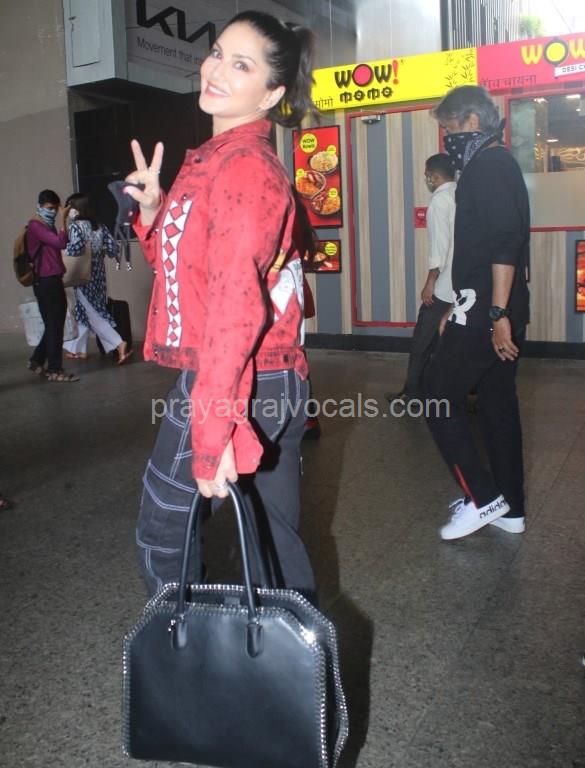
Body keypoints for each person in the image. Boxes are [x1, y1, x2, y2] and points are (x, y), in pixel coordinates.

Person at [125, 10, 317, 599]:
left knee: (163, 534)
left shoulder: (244, 168)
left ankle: (184, 652)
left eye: (241, 65)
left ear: (272, 93)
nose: (216, 70)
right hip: (262, 375)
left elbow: (236, 307)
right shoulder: (215, 160)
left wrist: (213, 431)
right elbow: (187, 275)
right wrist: (154, 212)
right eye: (217, 54)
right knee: (270, 542)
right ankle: (298, 655)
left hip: (235, 377)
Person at [424, 85, 530, 540]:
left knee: (435, 394)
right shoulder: (497, 164)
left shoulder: (488, 167)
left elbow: (505, 243)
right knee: (496, 405)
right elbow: (483, 247)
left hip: (488, 311)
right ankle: (510, 509)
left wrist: (496, 313)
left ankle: (484, 498)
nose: (447, 139)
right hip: (485, 305)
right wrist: (459, 303)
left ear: (471, 121)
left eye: (449, 129)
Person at [386, 153, 456, 402]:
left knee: (422, 342)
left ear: (433, 176)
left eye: (427, 175)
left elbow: (440, 247)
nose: (427, 180)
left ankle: (413, 393)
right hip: (463, 282)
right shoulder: (460, 194)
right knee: (452, 340)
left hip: (444, 284)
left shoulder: (438, 201)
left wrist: (430, 282)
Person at [62, 193, 133, 364]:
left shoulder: (75, 227)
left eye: (69, 207)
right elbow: (113, 249)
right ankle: (79, 349)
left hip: (82, 277)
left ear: (75, 209)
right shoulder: (100, 226)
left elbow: (76, 249)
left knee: (92, 313)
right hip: (99, 277)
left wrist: (64, 248)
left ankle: (119, 343)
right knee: (85, 310)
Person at [26, 190, 79, 383]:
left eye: (56, 209)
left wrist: (61, 223)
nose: (54, 212)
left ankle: (36, 360)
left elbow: (62, 242)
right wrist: (64, 220)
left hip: (51, 279)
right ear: (40, 206)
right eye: (50, 208)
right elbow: (60, 243)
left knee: (53, 325)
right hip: (46, 281)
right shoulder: (36, 226)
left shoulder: (46, 225)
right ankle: (55, 370)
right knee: (55, 326)